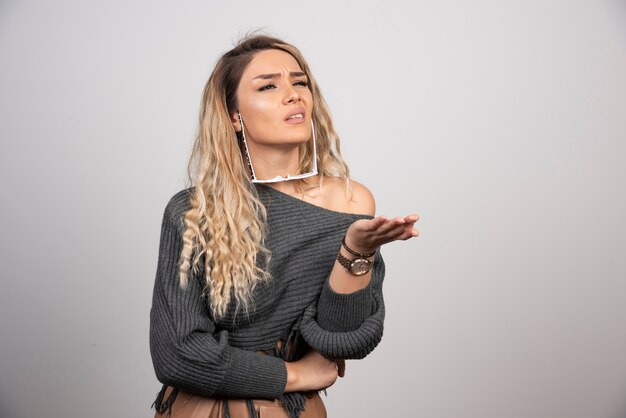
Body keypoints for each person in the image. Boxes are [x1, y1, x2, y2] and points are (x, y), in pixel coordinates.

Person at [149, 34, 419, 418]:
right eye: (268, 86)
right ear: (234, 117)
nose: (293, 95)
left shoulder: (351, 201)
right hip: (207, 410)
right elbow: (178, 355)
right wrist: (292, 374)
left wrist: (355, 251)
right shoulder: (194, 211)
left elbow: (344, 343)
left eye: (299, 82)